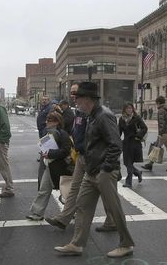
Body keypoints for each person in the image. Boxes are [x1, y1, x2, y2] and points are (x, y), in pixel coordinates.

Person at [53, 82, 135, 258]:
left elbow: (115, 144)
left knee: (114, 209)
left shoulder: (104, 116)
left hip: (104, 171)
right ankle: (76, 244)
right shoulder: (91, 114)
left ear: (88, 99)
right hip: (92, 170)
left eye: (78, 98)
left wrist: (105, 168)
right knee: (82, 205)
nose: (76, 101)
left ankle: (126, 244)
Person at [45, 84, 118, 233]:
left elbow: (113, 142)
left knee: (106, 192)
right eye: (73, 94)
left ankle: (113, 222)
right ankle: (64, 218)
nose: (74, 97)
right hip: (81, 155)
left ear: (87, 98)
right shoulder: (78, 111)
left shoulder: (100, 114)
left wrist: (107, 165)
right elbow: (77, 132)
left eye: (76, 94)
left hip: (96, 158)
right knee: (73, 189)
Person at [26, 111, 71, 220]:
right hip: (50, 166)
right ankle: (37, 213)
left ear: (56, 122)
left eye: (49, 120)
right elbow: (45, 147)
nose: (46, 122)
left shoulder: (63, 134)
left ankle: (72, 211)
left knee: (66, 192)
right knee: (44, 190)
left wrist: (49, 153)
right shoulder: (48, 133)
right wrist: (44, 153)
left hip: (60, 167)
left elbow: (65, 151)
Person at [142, 95, 167, 172]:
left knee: (156, 148)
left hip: (163, 133)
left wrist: (160, 133)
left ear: (158, 102)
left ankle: (150, 164)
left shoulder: (161, 110)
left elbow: (161, 123)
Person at [119, 103, 147, 188]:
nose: (129, 110)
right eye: (127, 108)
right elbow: (119, 131)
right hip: (126, 143)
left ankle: (128, 182)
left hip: (135, 143)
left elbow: (144, 128)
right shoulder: (121, 119)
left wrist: (138, 136)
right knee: (127, 163)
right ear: (124, 109)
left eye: (130, 108)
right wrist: (116, 140)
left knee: (129, 163)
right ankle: (138, 172)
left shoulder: (136, 118)